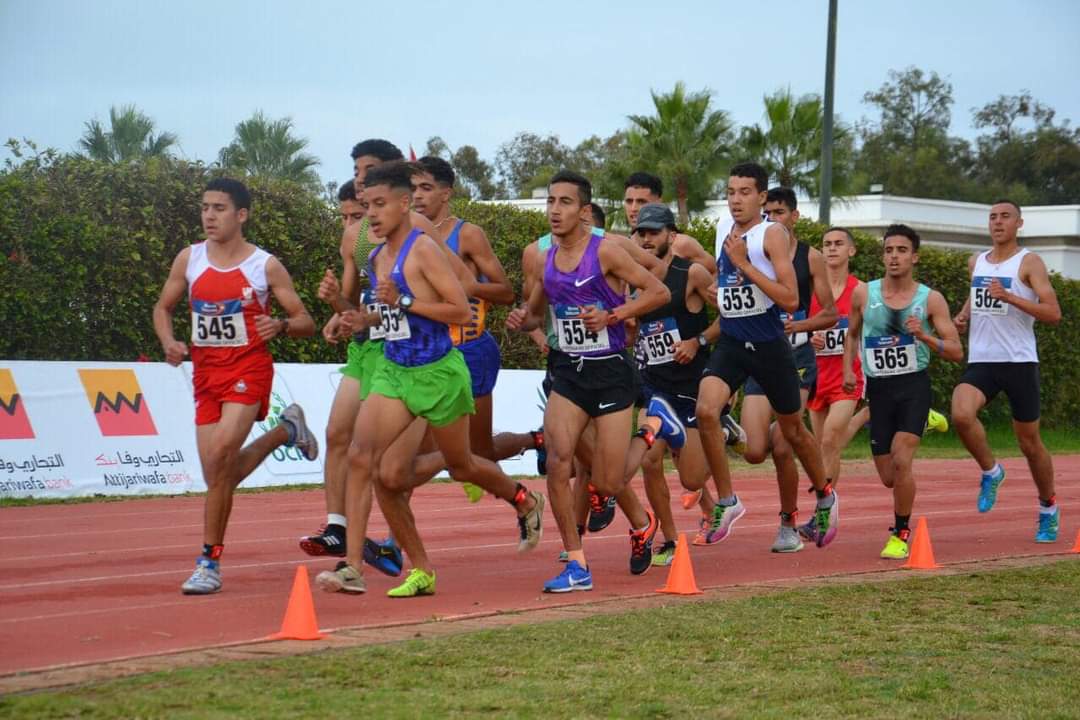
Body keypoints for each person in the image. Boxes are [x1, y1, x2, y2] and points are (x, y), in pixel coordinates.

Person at [318, 162, 545, 597]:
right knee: (367, 460)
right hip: (395, 370)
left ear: (404, 205)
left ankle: (523, 499)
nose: (372, 215)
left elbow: (459, 311)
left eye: (380, 205)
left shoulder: (422, 250)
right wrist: (352, 316)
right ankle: (358, 568)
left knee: (463, 464)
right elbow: (385, 316)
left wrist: (403, 299)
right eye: (366, 207)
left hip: (439, 373)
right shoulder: (376, 256)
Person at [507, 170, 681, 591]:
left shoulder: (607, 252)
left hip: (610, 370)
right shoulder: (546, 260)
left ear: (584, 212)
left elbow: (659, 292)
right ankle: (577, 564)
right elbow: (535, 311)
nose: (554, 210)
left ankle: (656, 424)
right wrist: (522, 320)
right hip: (569, 371)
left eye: (564, 202)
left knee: (606, 482)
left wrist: (614, 316)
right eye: (550, 202)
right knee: (559, 462)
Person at [152, 178, 317, 594]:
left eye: (219, 208)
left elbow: (305, 322)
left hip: (248, 369)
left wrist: (279, 324)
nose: (209, 215)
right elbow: (163, 306)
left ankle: (208, 562)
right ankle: (286, 431)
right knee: (216, 474)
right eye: (205, 207)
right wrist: (169, 341)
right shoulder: (189, 258)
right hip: (206, 376)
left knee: (221, 454)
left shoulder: (264, 265)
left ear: (241, 215)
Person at [695, 163, 839, 551]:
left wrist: (743, 264)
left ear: (761, 197)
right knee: (706, 410)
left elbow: (791, 299)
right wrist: (719, 290)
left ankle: (825, 495)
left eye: (744, 192)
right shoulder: (723, 230)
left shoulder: (771, 235)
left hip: (770, 344)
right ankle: (728, 501)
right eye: (730, 192)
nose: (735, 199)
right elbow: (728, 279)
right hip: (733, 341)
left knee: (792, 431)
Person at [299, 139, 413, 576]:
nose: (360, 176)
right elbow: (353, 302)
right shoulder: (355, 234)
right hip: (366, 346)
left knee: (397, 465)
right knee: (336, 434)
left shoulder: (416, 231)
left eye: (368, 169)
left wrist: (399, 304)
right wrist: (337, 311)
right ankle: (337, 527)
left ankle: (397, 543)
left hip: (404, 351)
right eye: (356, 169)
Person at [843, 224, 963, 559]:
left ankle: (901, 532)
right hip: (878, 389)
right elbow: (852, 334)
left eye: (901, 251)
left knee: (901, 458)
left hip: (912, 385)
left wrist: (924, 336)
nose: (894, 257)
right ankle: (927, 420)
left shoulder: (930, 299)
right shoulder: (864, 294)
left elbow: (955, 350)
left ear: (915, 257)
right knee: (887, 476)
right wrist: (847, 371)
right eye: (889, 250)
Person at [951, 200, 1062, 542]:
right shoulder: (977, 261)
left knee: (1029, 443)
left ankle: (1048, 508)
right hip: (983, 360)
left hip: (1019, 362)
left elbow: (1053, 312)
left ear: (1019, 223)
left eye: (1005, 217)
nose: (998, 222)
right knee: (961, 413)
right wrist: (964, 314)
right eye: (993, 217)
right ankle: (991, 470)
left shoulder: (1029, 262)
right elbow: (979, 294)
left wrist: (1012, 298)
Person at [735, 187, 837, 552]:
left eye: (780, 212)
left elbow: (830, 312)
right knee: (753, 450)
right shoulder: (751, 250)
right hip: (759, 354)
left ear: (794, 216)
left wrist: (801, 327)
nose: (773, 218)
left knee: (781, 446)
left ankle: (788, 525)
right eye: (769, 212)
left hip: (796, 361)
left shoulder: (811, 258)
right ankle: (786, 427)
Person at [631, 203, 717, 565]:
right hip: (655, 386)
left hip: (691, 388)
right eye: (641, 233)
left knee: (692, 478)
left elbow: (731, 317)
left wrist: (698, 341)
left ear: (671, 234)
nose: (647, 239)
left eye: (654, 232)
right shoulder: (633, 279)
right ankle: (668, 538)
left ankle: (719, 430)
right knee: (648, 460)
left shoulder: (692, 274)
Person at [806, 227, 865, 488]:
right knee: (825, 448)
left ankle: (823, 509)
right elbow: (797, 327)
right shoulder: (810, 290)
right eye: (827, 243)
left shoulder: (861, 291)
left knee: (830, 439)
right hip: (816, 377)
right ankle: (830, 505)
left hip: (847, 377)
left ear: (851, 250)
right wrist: (810, 338)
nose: (831, 248)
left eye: (838, 243)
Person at [623, 172, 717, 273]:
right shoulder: (622, 247)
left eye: (641, 202)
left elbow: (716, 272)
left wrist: (693, 287)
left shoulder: (682, 244)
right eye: (629, 201)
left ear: (659, 202)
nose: (633, 208)